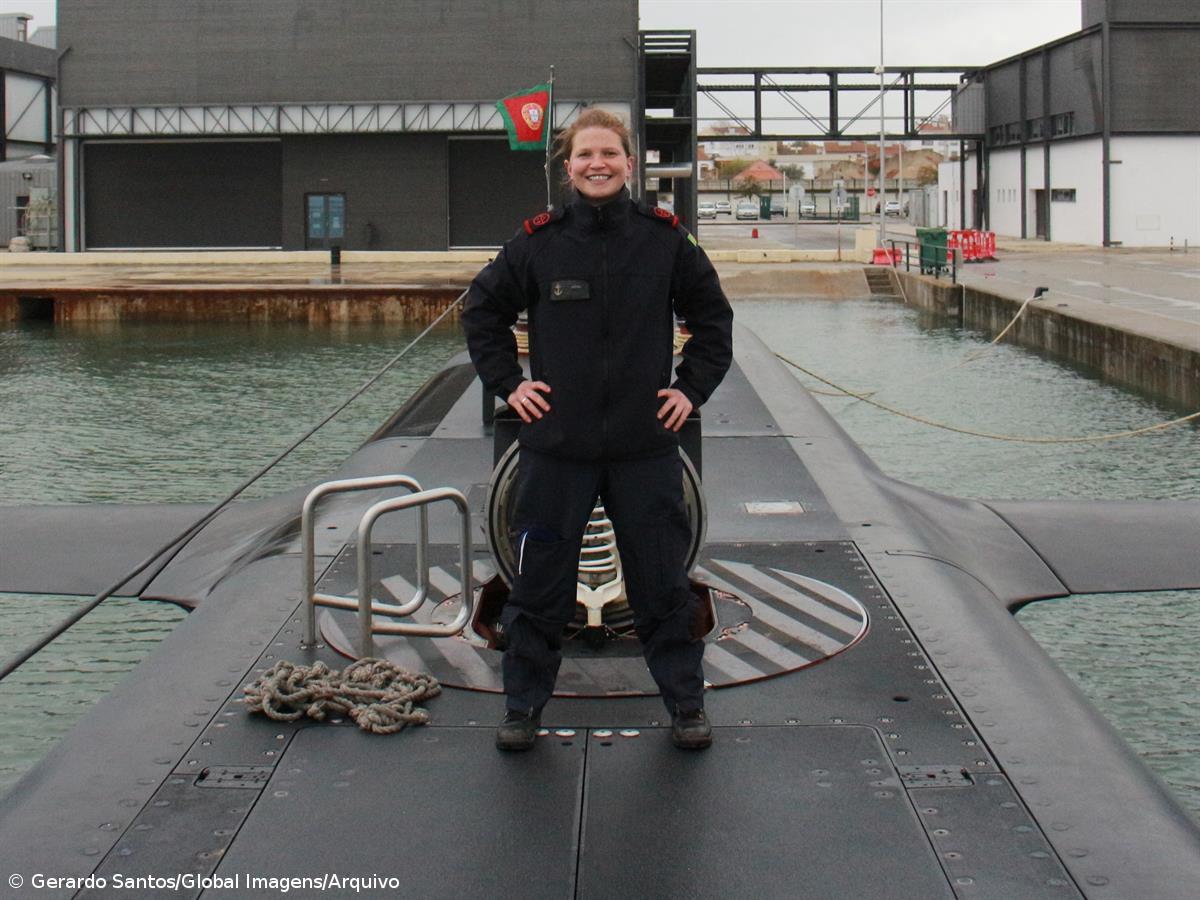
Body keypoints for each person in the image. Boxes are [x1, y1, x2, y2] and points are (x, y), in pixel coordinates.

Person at [462, 109, 733, 752]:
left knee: (663, 587)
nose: (597, 164)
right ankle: (523, 709)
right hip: (559, 450)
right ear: (568, 166)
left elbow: (714, 322)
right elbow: (483, 312)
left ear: (629, 163)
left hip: (644, 449)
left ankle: (686, 707)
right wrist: (512, 385)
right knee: (537, 589)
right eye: (585, 155)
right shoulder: (538, 242)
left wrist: (689, 390)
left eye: (609, 153)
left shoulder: (665, 239)